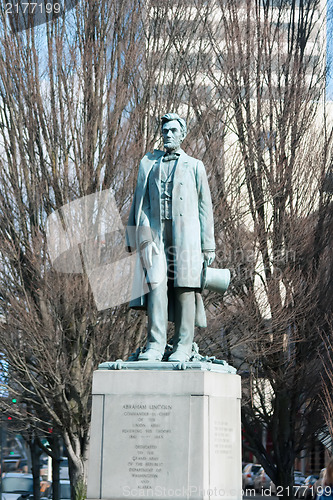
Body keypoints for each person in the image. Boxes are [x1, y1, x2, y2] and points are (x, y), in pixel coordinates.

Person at [126, 112, 215, 362]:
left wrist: (208, 246)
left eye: (173, 131)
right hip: (155, 234)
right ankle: (155, 344)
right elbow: (140, 203)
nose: (168, 135)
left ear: (183, 134)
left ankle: (183, 346)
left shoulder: (195, 166)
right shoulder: (149, 164)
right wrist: (140, 235)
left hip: (186, 236)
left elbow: (205, 208)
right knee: (155, 285)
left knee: (185, 288)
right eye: (165, 131)